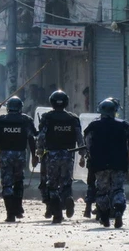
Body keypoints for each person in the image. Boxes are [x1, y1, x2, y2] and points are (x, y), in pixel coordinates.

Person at [36, 90, 86, 224]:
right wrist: (82, 155)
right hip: (68, 154)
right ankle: (67, 199)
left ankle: (57, 214)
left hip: (51, 154)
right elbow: (79, 138)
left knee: (52, 185)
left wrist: (39, 151)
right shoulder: (73, 118)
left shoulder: (47, 117)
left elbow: (41, 136)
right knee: (66, 182)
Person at [84, 99, 129, 228]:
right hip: (119, 163)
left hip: (100, 164)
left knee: (102, 190)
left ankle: (104, 217)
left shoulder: (93, 126)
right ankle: (119, 210)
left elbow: (88, 144)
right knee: (118, 189)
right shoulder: (124, 125)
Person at [0, 96, 38, 222]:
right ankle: (18, 209)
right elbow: (32, 139)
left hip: (5, 155)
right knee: (18, 182)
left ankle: (10, 214)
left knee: (7, 184)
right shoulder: (26, 120)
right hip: (20, 155)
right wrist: (34, 155)